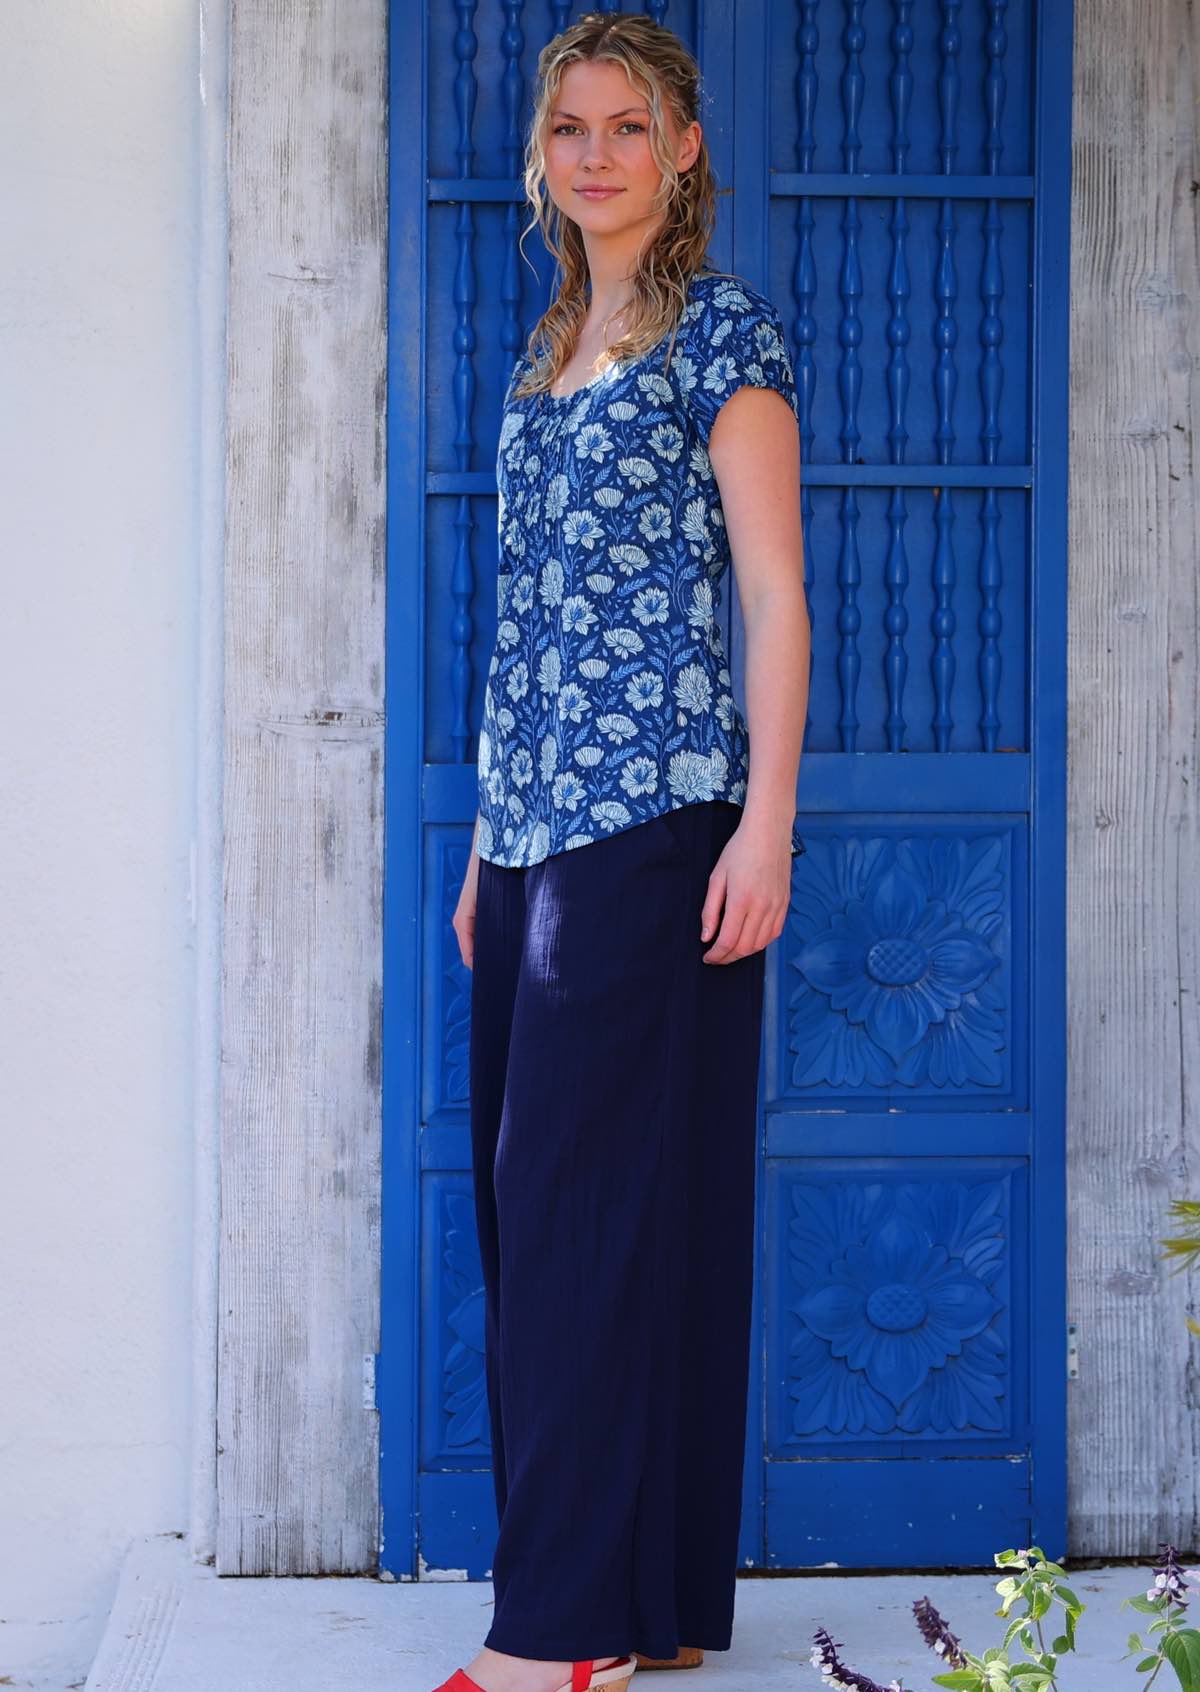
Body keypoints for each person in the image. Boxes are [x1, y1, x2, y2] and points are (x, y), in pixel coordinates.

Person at [437, 14, 810, 1692]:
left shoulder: (722, 342)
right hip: (529, 838)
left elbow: (775, 599)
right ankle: (648, 1613)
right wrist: (478, 847)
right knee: (564, 1226)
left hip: (656, 830)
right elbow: (524, 625)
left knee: (586, 1220)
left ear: (683, 152)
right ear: (547, 156)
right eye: (570, 127)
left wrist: (768, 824)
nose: (594, 152)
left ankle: (558, 1639)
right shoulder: (544, 352)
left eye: (626, 125)